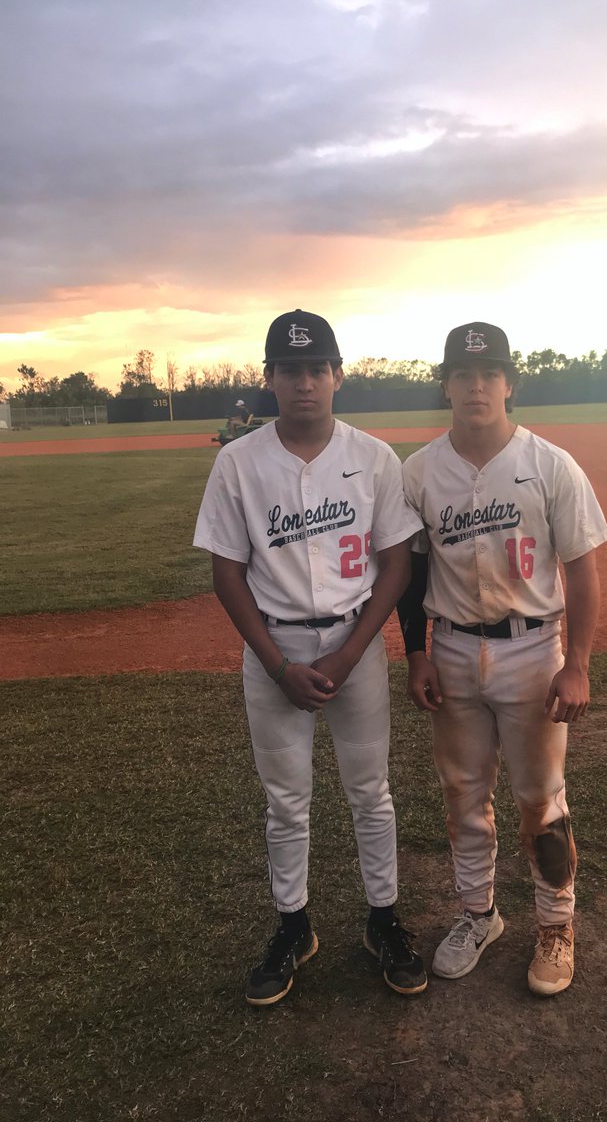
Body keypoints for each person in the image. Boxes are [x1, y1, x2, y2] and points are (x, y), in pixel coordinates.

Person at [194, 308, 427, 1004]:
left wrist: (355, 651)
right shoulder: (237, 461)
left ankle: (383, 920)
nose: (304, 382)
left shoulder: (374, 457)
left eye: (316, 369)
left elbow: (396, 565)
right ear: (269, 379)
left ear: (338, 376)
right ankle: (293, 926)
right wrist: (276, 665)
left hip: (354, 645)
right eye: (289, 370)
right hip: (277, 649)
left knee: (370, 793)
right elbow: (226, 573)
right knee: (287, 801)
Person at [397, 323, 607, 996]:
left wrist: (575, 663)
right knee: (463, 794)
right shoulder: (420, 471)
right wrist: (415, 653)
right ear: (446, 386)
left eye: (489, 374)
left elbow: (581, 572)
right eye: (463, 375)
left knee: (540, 799)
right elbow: (408, 574)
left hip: (531, 650)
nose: (477, 386)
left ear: (510, 383)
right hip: (454, 650)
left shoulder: (550, 464)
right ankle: (476, 914)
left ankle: (556, 922)